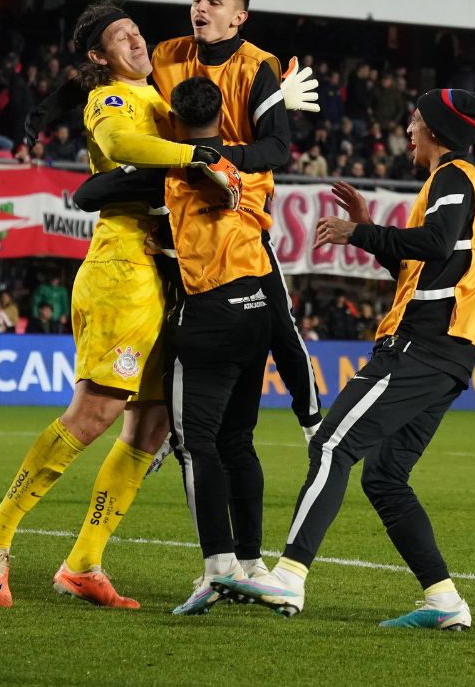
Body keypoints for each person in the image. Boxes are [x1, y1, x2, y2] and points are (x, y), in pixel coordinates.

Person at [0, 2, 240, 610]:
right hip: (122, 267)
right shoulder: (111, 100)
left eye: (138, 32)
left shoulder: (161, 95)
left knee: (155, 421)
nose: (138, 43)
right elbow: (120, 143)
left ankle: (84, 562)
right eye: (122, 38)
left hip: (164, 272)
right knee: (95, 414)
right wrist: (197, 159)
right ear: (99, 57)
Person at [212, 88, 475, 631]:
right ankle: (445, 601)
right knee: (385, 477)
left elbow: (433, 243)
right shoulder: (467, 185)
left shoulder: (454, 177)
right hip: (451, 352)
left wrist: (358, 230)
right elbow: (424, 271)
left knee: (331, 444)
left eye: (415, 121)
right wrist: (371, 233)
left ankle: (289, 576)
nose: (408, 130)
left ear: (435, 130)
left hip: (425, 344)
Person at [89, 78, 276, 616]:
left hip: (209, 314)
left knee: (195, 444)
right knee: (240, 441)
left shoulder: (169, 173)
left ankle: (219, 569)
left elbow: (87, 195)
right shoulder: (257, 166)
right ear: (223, 113)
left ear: (172, 120)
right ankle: (253, 563)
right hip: (258, 310)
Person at [151, 0, 322, 441]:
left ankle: (313, 425)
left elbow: (277, 148)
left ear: (238, 18)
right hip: (178, 214)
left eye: (213, 1)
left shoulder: (256, 66)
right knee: (167, 323)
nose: (200, 8)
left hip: (239, 217)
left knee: (279, 325)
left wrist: (218, 157)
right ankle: (166, 433)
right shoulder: (166, 55)